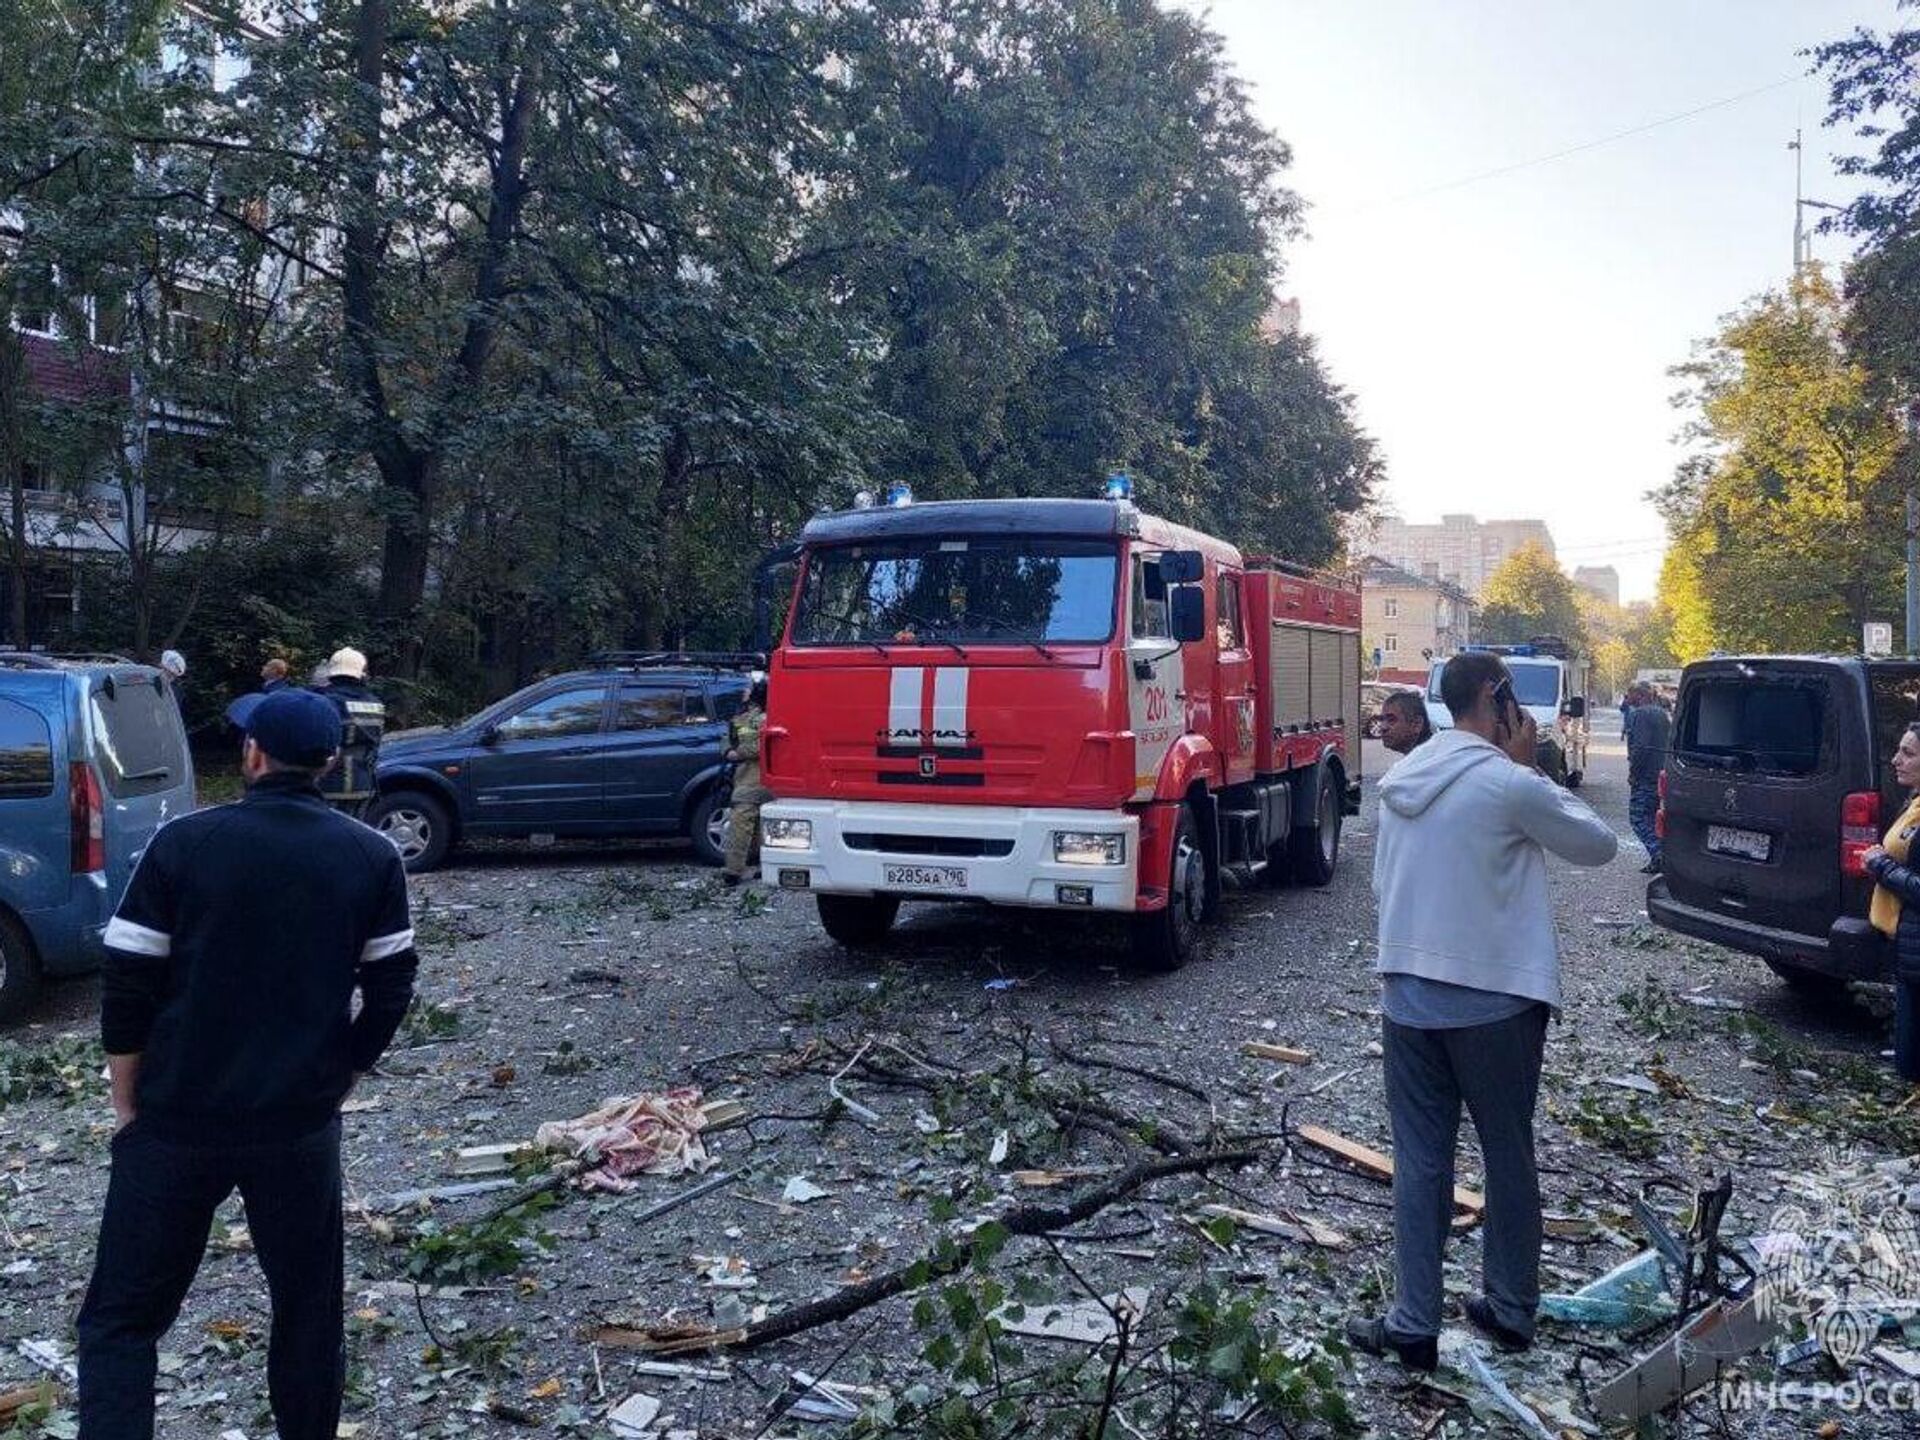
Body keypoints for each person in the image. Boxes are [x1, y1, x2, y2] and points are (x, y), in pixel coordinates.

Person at [76, 688, 418, 1440]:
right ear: (330, 763)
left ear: (253, 755)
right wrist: (344, 1074)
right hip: (296, 1128)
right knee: (306, 1312)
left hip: (175, 1122)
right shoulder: (371, 855)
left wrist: (127, 1105)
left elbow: (128, 984)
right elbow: (392, 989)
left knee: (120, 1323)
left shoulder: (184, 844)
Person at [1347, 651, 1616, 1372]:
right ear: (1497, 698)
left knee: (1421, 1160)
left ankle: (1412, 1322)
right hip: (1495, 1005)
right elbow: (1600, 846)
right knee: (1506, 1153)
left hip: (1406, 994)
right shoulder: (1507, 784)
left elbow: (1382, 885)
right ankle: (1508, 1308)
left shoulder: (1402, 778)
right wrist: (1531, 767)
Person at [1862, 722, 1920, 1085]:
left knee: (1910, 1062)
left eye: (1909, 753)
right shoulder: (1913, 803)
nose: (1896, 759)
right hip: (1907, 942)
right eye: (1899, 750)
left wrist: (1881, 865)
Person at [721, 678, 770, 886]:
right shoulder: (772, 717)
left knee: (740, 824)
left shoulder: (747, 719)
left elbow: (731, 743)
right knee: (765, 825)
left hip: (750, 779)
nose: (744, 693)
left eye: (748, 690)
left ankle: (733, 870)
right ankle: (765, 867)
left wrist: (733, 753)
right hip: (772, 782)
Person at [1624, 681, 1671, 875]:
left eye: (1630, 694)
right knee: (1652, 817)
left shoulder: (1641, 714)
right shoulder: (1661, 713)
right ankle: (1659, 857)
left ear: (1640, 695)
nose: (1627, 698)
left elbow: (1641, 747)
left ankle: (1659, 855)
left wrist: (1633, 774)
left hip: (1645, 776)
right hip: (1659, 773)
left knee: (1638, 819)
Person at [1377, 691, 1434, 757]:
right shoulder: (1428, 754)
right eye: (1381, 719)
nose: (1383, 727)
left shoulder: (1425, 763)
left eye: (1391, 720)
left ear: (1416, 724)